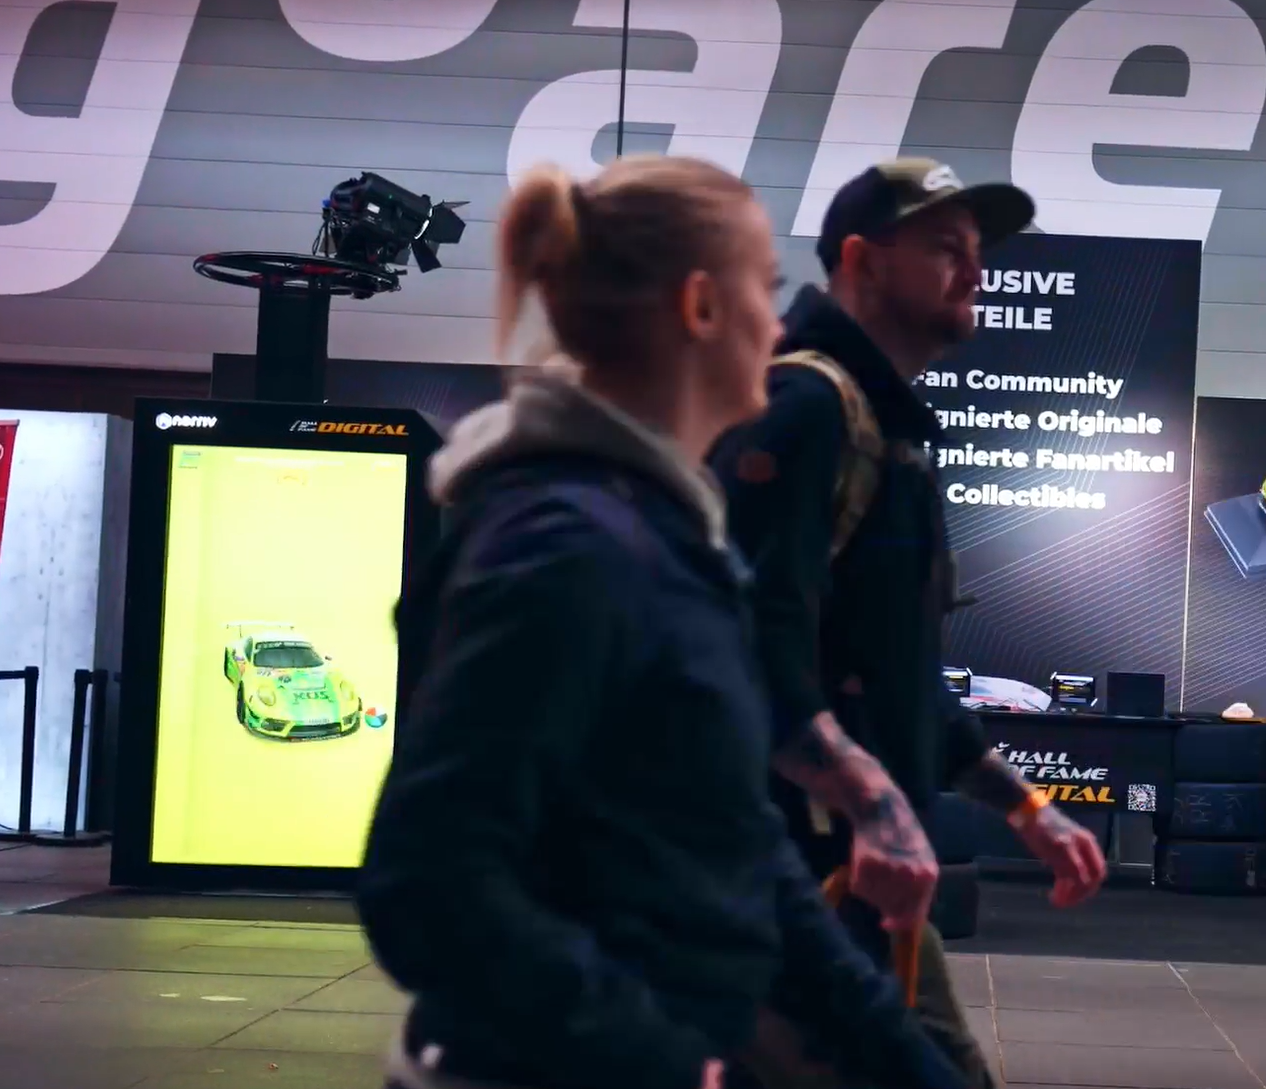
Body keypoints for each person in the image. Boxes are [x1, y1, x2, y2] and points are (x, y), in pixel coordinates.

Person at [356, 155, 966, 1089]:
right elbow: (430, 881)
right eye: (766, 289)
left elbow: (733, 836)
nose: (782, 321)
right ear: (701, 308)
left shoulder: (666, 537)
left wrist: (895, 1051)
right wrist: (659, 1057)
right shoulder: (565, 548)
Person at [709, 158, 1110, 1087]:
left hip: (855, 868)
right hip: (782, 866)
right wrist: (873, 806)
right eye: (944, 248)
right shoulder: (803, 408)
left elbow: (894, 675)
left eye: (979, 254)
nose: (974, 271)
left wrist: (1026, 806)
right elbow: (743, 644)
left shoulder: (885, 432)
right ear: (862, 259)